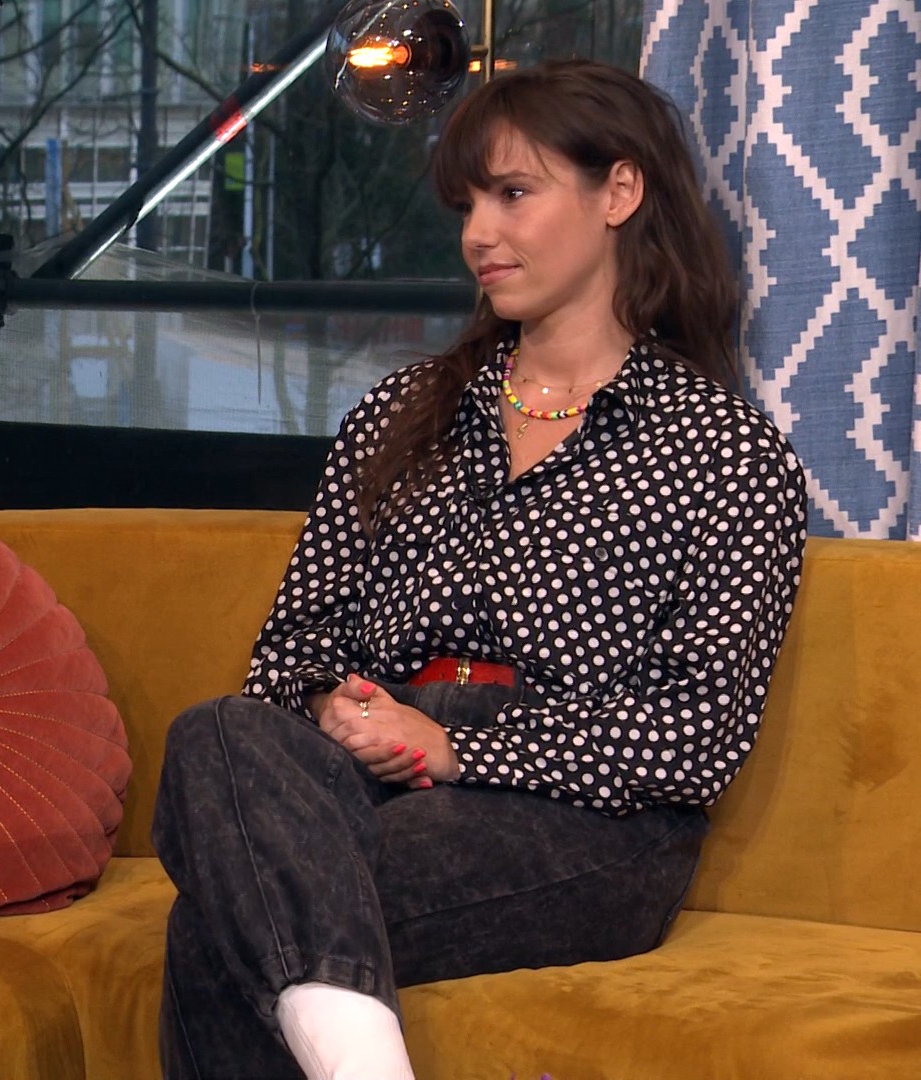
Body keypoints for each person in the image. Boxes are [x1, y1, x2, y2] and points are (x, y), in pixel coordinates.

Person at [152, 60, 807, 1080]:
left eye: (512, 194)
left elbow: (693, 734)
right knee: (218, 732)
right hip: (367, 769)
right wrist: (338, 707)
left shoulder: (723, 451)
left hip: (581, 815)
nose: (477, 235)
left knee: (221, 919)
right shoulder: (398, 416)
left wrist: (457, 750)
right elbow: (291, 649)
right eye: (467, 205)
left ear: (618, 193)